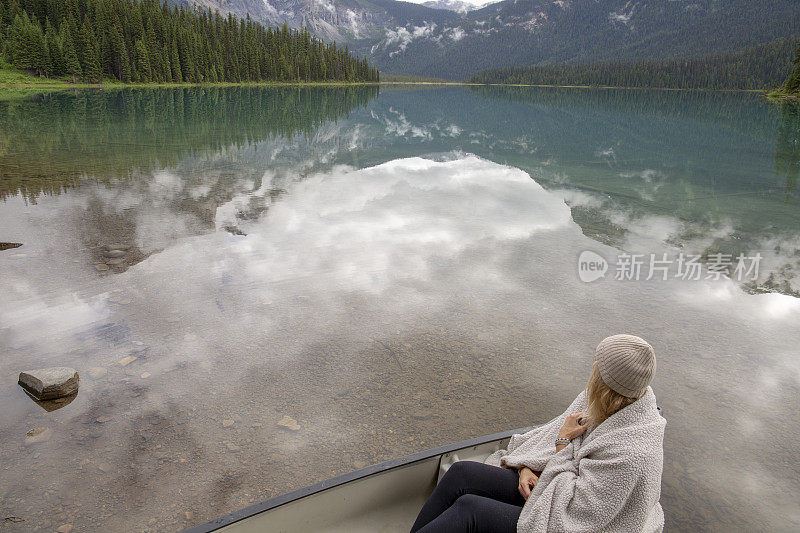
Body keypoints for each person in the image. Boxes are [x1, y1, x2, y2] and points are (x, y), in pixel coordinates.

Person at [410, 334, 666, 533]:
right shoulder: (605, 397)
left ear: (609, 380)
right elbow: (546, 439)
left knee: (470, 511)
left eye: (599, 363)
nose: (594, 364)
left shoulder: (632, 453)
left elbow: (576, 515)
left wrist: (562, 444)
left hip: (572, 518)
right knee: (461, 473)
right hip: (558, 487)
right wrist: (526, 466)